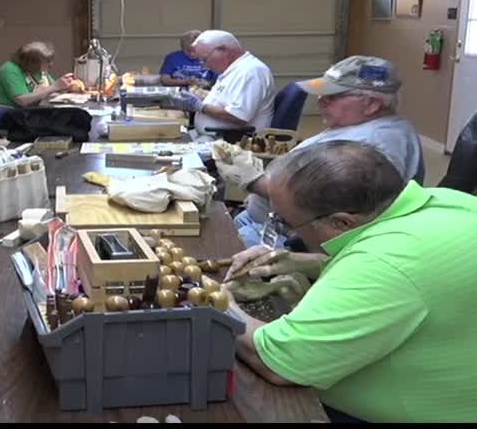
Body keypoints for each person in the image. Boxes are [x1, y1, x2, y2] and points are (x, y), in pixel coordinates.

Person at [222, 140, 477, 423]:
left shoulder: (383, 263)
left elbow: (280, 363)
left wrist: (219, 305)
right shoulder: (449, 202)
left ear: (341, 223)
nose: (288, 231)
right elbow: (418, 277)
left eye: (288, 223)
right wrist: (300, 262)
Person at [220, 56, 425, 248]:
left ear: (372, 104)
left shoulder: (375, 143)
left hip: (287, 239)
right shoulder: (360, 125)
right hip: (267, 220)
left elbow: (326, 206)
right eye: (321, 95)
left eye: (331, 97)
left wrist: (255, 181)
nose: (320, 102)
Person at [169, 30, 276, 139]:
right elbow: (225, 100)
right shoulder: (232, 70)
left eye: (205, 59)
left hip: (230, 141)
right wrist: (199, 97)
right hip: (212, 135)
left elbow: (238, 115)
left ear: (224, 50)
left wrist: (200, 106)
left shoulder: (251, 71)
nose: (205, 66)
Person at [0, 41, 75, 128]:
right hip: (2, 116)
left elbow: (51, 88)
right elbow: (23, 100)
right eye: (47, 61)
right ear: (32, 62)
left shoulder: (36, 70)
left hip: (23, 112)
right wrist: (55, 87)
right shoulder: (9, 70)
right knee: (54, 126)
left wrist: (66, 85)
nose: (51, 64)